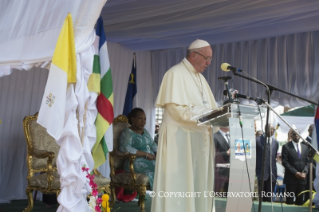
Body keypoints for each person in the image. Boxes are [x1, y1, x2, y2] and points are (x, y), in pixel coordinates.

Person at [151, 39, 218, 212]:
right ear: (193, 55)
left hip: (199, 143)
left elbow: (213, 108)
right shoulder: (174, 73)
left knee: (198, 186)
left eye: (211, 59)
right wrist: (207, 115)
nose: (209, 63)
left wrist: (221, 117)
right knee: (179, 185)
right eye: (206, 58)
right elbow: (176, 109)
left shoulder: (201, 79)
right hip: (180, 141)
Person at [119, 108, 157, 190]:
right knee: (159, 168)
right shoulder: (127, 132)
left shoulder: (145, 131)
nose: (143, 121)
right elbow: (124, 147)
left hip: (150, 159)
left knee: (164, 166)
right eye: (140, 118)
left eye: (145, 119)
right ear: (133, 119)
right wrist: (146, 154)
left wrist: (158, 153)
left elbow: (152, 144)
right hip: (134, 162)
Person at [282, 129, 309, 205]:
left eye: (298, 134)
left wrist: (305, 172)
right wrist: (295, 173)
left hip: (302, 180)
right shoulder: (286, 146)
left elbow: (307, 162)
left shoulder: (305, 147)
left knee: (300, 202)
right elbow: (285, 162)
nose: (296, 136)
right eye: (294, 134)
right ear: (291, 135)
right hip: (291, 179)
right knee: (289, 202)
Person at [255, 124, 279, 202]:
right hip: (260, 174)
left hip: (271, 175)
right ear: (265, 129)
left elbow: (274, 156)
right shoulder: (257, 140)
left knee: (269, 199)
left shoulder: (275, 142)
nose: (272, 131)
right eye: (270, 129)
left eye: (273, 129)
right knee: (260, 199)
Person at [214, 126, 230, 193]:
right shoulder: (215, 136)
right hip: (221, 173)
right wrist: (226, 153)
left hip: (231, 173)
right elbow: (213, 154)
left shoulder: (230, 136)